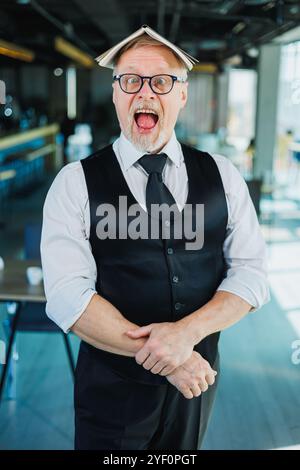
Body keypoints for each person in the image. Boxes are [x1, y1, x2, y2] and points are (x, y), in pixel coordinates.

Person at [41, 25, 269, 450]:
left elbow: (251, 273)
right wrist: (172, 359)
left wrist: (186, 336)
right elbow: (69, 297)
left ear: (182, 94)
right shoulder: (74, 184)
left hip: (195, 387)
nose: (145, 92)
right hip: (112, 395)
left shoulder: (223, 176)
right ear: (114, 93)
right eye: (130, 79)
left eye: (161, 80)